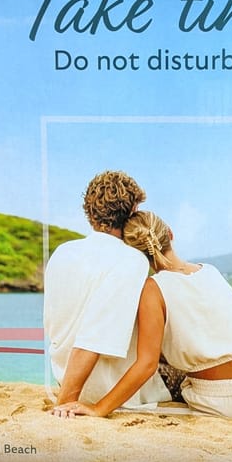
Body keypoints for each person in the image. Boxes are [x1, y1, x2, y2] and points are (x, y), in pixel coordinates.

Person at [60, 210, 232, 419]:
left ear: (135, 253)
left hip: (216, 402)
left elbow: (146, 365)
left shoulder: (152, 289)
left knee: (159, 362)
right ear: (170, 233)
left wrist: (99, 409)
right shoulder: (211, 272)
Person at [44, 173, 170, 417]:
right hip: (104, 390)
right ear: (132, 211)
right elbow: (92, 339)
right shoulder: (132, 260)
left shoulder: (62, 252)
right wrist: (65, 403)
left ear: (90, 212)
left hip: (64, 374)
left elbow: (56, 327)